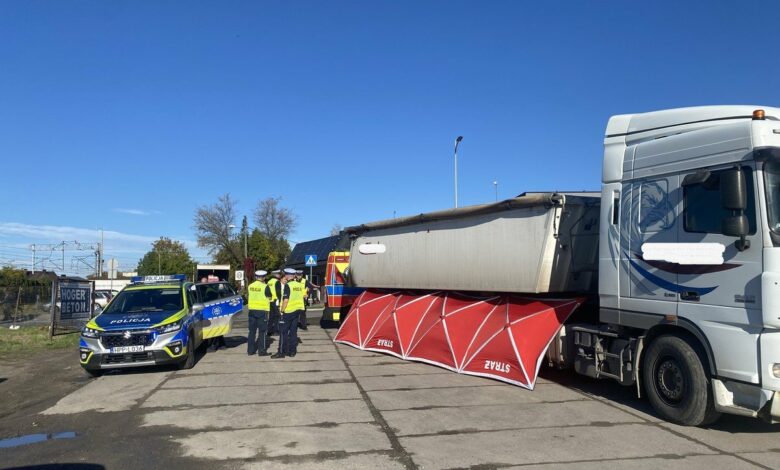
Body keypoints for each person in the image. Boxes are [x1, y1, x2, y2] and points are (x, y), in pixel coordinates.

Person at [272, 268, 305, 359]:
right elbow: (303, 296)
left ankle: (281, 352)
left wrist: (282, 311)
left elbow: (286, 300)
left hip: (288, 311)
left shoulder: (288, 286)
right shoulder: (299, 285)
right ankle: (292, 352)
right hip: (297, 311)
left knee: (283, 332)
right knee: (293, 332)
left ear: (287, 276)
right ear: (294, 275)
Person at [246, 270, 271, 356]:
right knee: (262, 332)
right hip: (262, 311)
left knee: (251, 332)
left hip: (252, 311)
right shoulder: (265, 287)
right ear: (264, 277)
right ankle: (262, 351)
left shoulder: (250, 286)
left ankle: (250, 351)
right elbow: (270, 297)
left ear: (256, 277)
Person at [267, 270, 282, 336]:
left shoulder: (269, 282)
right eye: (279, 274)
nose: (280, 275)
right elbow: (278, 292)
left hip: (270, 301)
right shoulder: (277, 282)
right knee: (277, 316)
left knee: (271, 317)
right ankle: (276, 331)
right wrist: (280, 300)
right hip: (276, 300)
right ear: (276, 275)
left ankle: (269, 331)